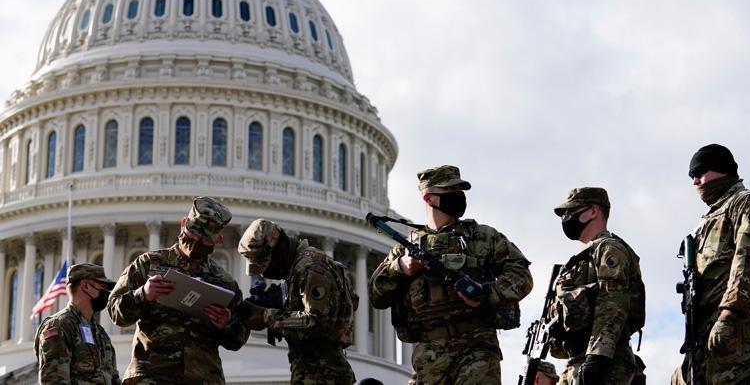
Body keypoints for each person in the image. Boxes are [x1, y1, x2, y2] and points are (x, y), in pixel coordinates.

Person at [369, 165, 533, 385]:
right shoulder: (405, 248)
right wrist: (400, 267)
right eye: (450, 191)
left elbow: (521, 274)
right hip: (428, 354)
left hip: (477, 347)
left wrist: (488, 293)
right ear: (429, 198)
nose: (458, 197)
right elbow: (376, 295)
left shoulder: (482, 237)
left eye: (460, 191)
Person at [108, 196, 249, 384]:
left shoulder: (224, 283)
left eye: (204, 238)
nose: (196, 240)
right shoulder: (148, 264)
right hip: (152, 375)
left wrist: (226, 323)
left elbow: (238, 338)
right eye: (194, 232)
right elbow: (114, 311)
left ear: (218, 240)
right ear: (184, 223)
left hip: (204, 377)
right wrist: (143, 295)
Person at [671, 144, 750, 385]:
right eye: (691, 177)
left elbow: (749, 260)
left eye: (699, 173)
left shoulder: (747, 204)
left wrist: (729, 314)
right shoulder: (707, 220)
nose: (695, 182)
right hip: (703, 335)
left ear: (720, 170)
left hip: (733, 331)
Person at [237, 219, 357, 384]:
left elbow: (319, 321)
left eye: (265, 264)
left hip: (324, 374)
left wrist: (267, 317)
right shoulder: (297, 268)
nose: (265, 274)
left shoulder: (310, 267)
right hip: (311, 370)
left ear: (281, 249)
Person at [548, 187, 645, 385]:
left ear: (593, 211)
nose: (565, 218)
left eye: (570, 212)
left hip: (605, 361)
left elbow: (613, 302)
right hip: (577, 359)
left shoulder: (609, 248)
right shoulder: (582, 259)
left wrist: (598, 356)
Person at [35, 263, 121, 384]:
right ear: (85, 285)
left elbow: (113, 378)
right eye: (103, 286)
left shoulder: (100, 334)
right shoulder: (59, 326)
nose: (107, 293)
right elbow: (55, 380)